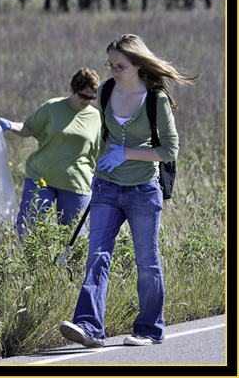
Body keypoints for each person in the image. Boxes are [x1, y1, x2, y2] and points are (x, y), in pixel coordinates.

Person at [59, 34, 198, 347]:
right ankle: (89, 328)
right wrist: (97, 165)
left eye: (120, 65)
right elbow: (104, 136)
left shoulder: (156, 100)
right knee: (97, 256)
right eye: (110, 65)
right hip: (107, 188)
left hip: (143, 191)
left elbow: (170, 150)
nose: (114, 71)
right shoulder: (107, 91)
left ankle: (149, 330)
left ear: (137, 64)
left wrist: (125, 153)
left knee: (146, 262)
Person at [0, 67, 101, 239]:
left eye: (92, 97)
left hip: (77, 184)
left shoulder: (97, 117)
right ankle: (29, 265)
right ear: (73, 90)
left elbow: (100, 152)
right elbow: (28, 128)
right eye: (83, 95)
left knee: (74, 236)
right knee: (28, 228)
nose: (87, 101)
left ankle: (69, 266)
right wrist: (9, 125)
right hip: (41, 178)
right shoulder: (52, 107)